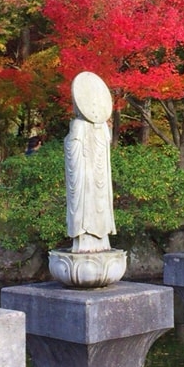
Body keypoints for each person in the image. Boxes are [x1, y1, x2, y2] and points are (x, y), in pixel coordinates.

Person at [64, 72, 116, 254]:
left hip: (92, 178)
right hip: (87, 176)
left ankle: (96, 239)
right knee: (90, 200)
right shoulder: (95, 125)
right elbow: (74, 150)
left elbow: (73, 146)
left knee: (94, 199)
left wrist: (69, 139)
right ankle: (91, 239)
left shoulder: (83, 124)